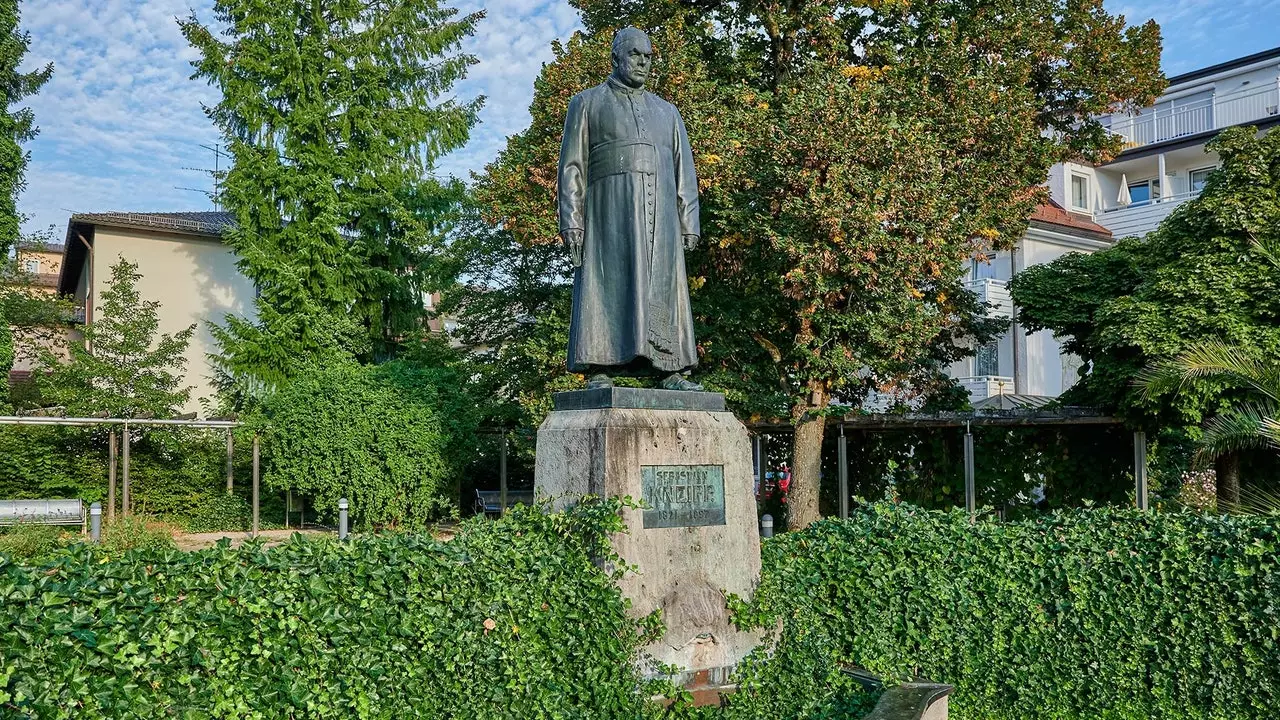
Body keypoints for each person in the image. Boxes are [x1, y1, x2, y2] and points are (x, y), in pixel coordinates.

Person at [557, 27, 703, 391]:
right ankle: (599, 367)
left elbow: (684, 171)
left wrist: (689, 224)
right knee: (605, 284)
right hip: (608, 217)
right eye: (635, 54)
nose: (643, 62)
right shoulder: (586, 103)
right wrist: (572, 222)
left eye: (648, 56)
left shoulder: (667, 113)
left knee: (664, 288)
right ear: (616, 58)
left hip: (663, 222)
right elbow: (572, 167)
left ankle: (671, 369)